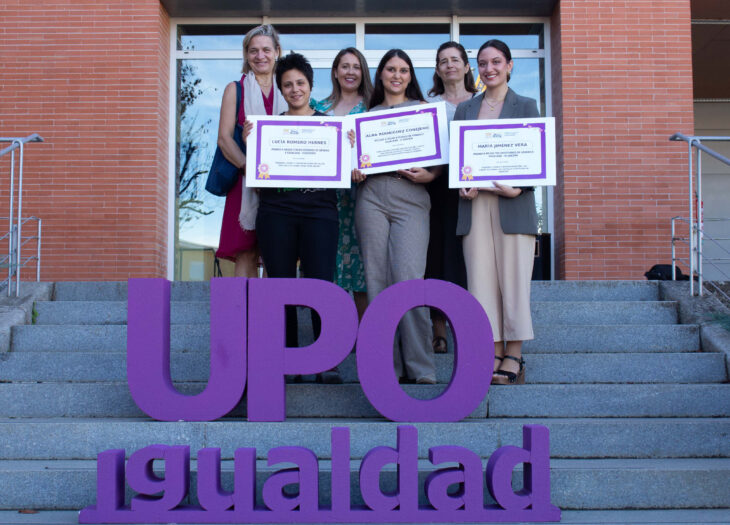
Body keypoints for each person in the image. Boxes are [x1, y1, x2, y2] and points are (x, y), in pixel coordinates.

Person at [244, 52, 342, 383]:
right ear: (281, 90)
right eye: (287, 85)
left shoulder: (333, 127)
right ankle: (285, 359)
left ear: (310, 85)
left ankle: (326, 359)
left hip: (320, 210)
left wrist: (350, 150)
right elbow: (258, 173)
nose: (294, 89)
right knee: (280, 285)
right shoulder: (267, 128)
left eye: (300, 83)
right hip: (277, 210)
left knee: (321, 284)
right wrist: (251, 144)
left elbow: (349, 170)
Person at [454, 39, 540, 385]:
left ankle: (515, 354)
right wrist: (462, 184)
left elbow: (537, 159)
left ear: (509, 66)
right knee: (481, 283)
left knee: (514, 282)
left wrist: (520, 187)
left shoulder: (526, 105)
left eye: (496, 62)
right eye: (483, 63)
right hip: (476, 206)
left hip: (512, 204)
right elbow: (459, 160)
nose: (489, 69)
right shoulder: (465, 109)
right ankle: (490, 350)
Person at [352, 49, 438, 385]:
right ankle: (386, 368)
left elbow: (439, 165)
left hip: (411, 197)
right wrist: (355, 171)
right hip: (371, 196)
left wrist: (428, 177)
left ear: (410, 75)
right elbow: (353, 162)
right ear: (381, 74)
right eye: (390, 69)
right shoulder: (366, 116)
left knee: (409, 281)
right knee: (377, 283)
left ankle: (421, 368)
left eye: (403, 70)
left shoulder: (423, 111)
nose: (396, 75)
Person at [215, 24, 286, 277]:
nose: (260, 56)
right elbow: (224, 139)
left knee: (276, 252)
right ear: (246, 55)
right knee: (245, 251)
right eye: (253, 50)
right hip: (244, 182)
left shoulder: (289, 89)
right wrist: (252, 171)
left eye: (266, 49)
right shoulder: (235, 89)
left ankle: (269, 315)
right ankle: (240, 315)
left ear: (277, 52)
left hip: (281, 185)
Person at [313, 48, 373, 321]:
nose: (350, 72)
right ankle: (335, 335)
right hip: (325, 200)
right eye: (345, 66)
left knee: (361, 265)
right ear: (335, 72)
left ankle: (366, 336)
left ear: (363, 73)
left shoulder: (374, 108)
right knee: (328, 264)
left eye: (356, 67)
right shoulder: (317, 108)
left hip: (362, 196)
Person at [425, 41, 477, 354]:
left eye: (455, 60)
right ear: (437, 69)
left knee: (467, 258)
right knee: (437, 256)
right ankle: (438, 328)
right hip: (436, 188)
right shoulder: (428, 105)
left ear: (467, 66)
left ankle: (466, 324)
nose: (449, 65)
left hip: (473, 190)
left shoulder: (482, 102)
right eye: (443, 61)